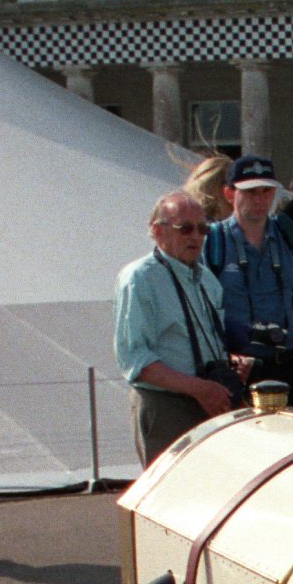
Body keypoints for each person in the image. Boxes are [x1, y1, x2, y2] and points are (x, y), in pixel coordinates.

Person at [114, 189, 248, 464]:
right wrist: (197, 388)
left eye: (202, 229)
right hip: (165, 405)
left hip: (209, 402)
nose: (196, 236)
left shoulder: (207, 280)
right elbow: (134, 359)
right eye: (185, 228)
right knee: (170, 487)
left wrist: (230, 363)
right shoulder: (140, 278)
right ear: (158, 231)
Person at [204, 155, 293, 408]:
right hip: (239, 367)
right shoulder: (214, 241)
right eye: (250, 191)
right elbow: (204, 315)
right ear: (229, 194)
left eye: (266, 191)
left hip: (289, 364)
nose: (259, 199)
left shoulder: (288, 238)